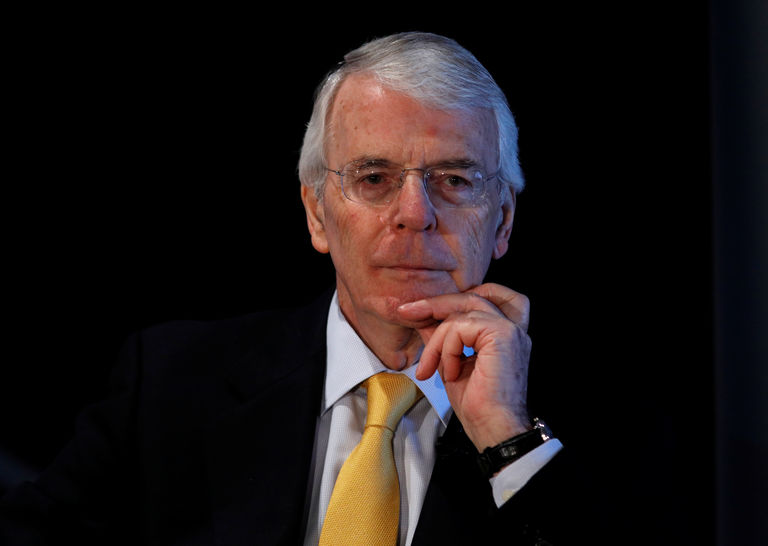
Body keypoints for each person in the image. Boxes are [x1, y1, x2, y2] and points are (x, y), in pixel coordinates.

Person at [1, 32, 573, 545]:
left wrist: (508, 441)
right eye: (374, 179)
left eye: (453, 180)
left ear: (502, 220)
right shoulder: (169, 384)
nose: (414, 214)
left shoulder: (622, 426)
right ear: (317, 215)